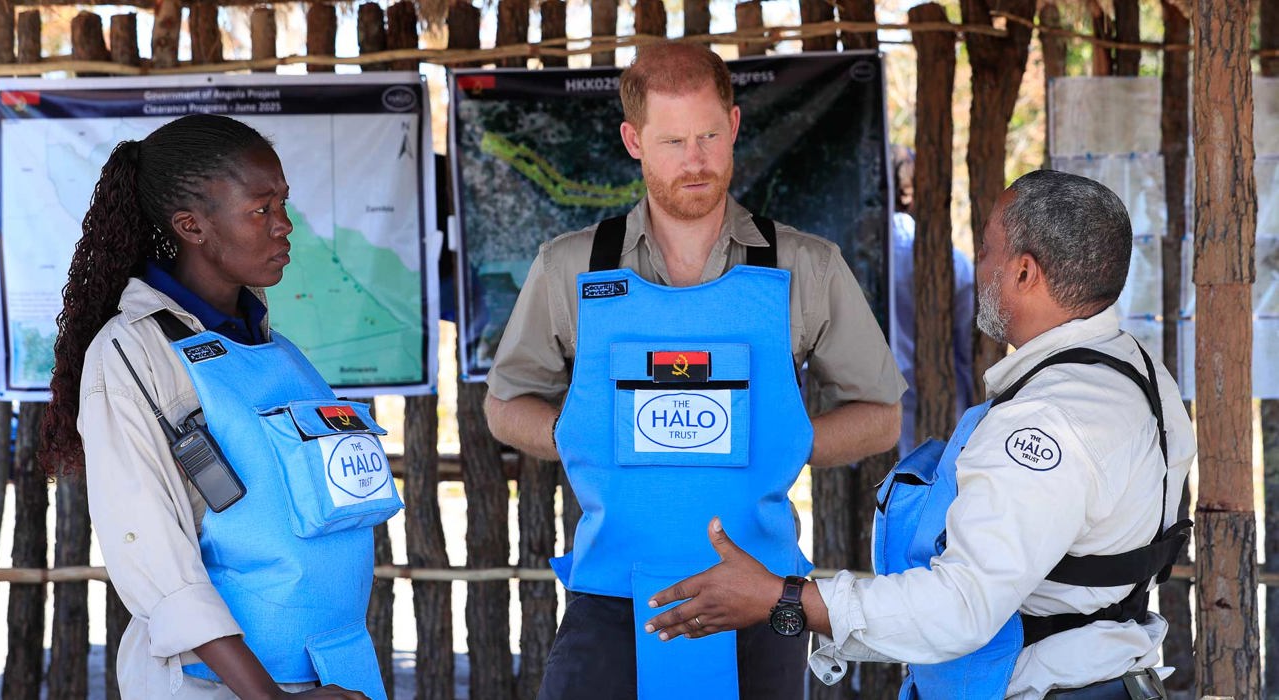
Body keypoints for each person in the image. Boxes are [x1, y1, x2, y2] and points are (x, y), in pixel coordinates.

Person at [643, 170, 1195, 700]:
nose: (979, 265)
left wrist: (783, 598)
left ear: (1025, 273)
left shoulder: (1043, 422)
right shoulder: (1142, 376)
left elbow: (960, 608)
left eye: (987, 250)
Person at [483, 42, 905, 699]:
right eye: (673, 141)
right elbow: (505, 404)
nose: (696, 160)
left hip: (758, 594)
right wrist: (578, 433)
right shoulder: (571, 267)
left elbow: (881, 417)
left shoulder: (805, 265)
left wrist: (784, 439)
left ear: (734, 125)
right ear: (633, 140)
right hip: (610, 593)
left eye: (709, 135)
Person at [40, 114, 403, 700]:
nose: (285, 225)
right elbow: (154, 560)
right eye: (261, 209)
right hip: (220, 687)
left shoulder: (277, 350)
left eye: (283, 203)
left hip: (333, 668)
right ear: (192, 226)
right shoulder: (133, 352)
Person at [889, 146, 975, 456]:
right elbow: (970, 352)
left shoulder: (848, 257)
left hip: (867, 427)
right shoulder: (953, 264)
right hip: (941, 428)